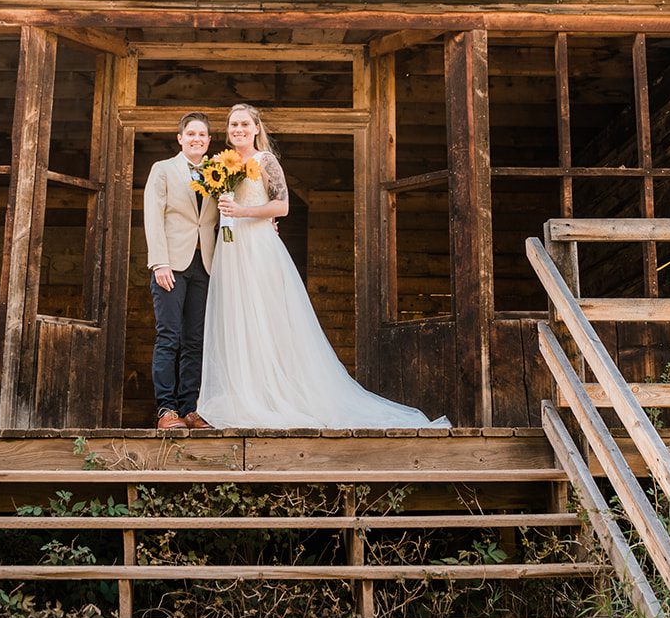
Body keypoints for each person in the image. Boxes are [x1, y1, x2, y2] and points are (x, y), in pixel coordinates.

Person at [196, 103, 450, 430]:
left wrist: (242, 212)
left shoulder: (265, 161)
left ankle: (273, 395)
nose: (239, 130)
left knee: (265, 317)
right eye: (233, 125)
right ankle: (242, 393)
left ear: (257, 128)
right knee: (236, 318)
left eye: (245, 124)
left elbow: (282, 205)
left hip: (258, 248)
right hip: (231, 250)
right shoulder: (222, 164)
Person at [143, 111, 219, 431]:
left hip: (206, 266)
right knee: (169, 337)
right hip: (172, 265)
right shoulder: (163, 170)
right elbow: (153, 215)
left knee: (195, 340)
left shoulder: (219, 172)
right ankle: (166, 410)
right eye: (191, 134)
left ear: (209, 140)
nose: (196, 139)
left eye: (202, 134)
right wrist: (159, 261)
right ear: (180, 138)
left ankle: (190, 408)